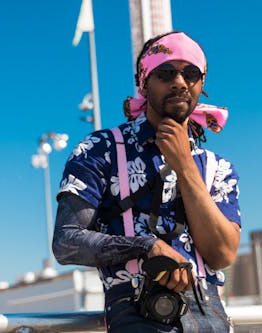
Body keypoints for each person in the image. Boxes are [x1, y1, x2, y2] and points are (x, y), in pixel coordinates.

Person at [52, 31, 241, 332]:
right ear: (144, 82)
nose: (180, 82)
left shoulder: (218, 168)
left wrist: (184, 165)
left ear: (202, 84)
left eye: (191, 73)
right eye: (166, 73)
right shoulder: (101, 149)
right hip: (136, 311)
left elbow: (222, 254)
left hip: (210, 315)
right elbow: (66, 242)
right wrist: (145, 247)